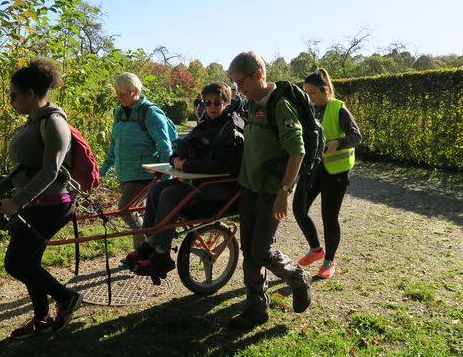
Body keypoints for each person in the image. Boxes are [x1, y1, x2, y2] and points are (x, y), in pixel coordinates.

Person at [0, 58, 81, 339]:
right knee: (29, 263)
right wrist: (1, 189)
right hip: (35, 204)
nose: (11, 100)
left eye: (14, 95)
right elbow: (27, 165)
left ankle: (66, 298)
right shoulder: (34, 120)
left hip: (53, 204)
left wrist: (17, 201)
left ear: (30, 94)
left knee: (16, 262)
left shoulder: (55, 123)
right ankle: (41, 317)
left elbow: (50, 170)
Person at [227, 50, 312, 330]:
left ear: (259, 75)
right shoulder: (251, 103)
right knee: (250, 250)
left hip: (271, 191)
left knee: (261, 249)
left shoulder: (280, 105)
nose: (239, 89)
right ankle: (256, 307)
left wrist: (284, 193)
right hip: (249, 187)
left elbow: (297, 152)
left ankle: (299, 277)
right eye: (235, 84)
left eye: (241, 82)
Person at [125, 82, 245, 279]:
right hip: (201, 182)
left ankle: (162, 255)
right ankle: (150, 244)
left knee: (170, 194)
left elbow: (221, 166)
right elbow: (182, 144)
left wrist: (186, 165)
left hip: (222, 189)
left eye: (217, 103)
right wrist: (175, 159)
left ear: (226, 103)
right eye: (208, 103)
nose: (212, 107)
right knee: (157, 189)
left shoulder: (230, 129)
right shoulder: (205, 124)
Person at [293, 68, 361, 279]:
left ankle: (329, 260)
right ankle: (316, 250)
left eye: (312, 92)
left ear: (325, 90)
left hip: (336, 172)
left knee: (329, 217)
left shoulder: (338, 109)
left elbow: (356, 136)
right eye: (306, 93)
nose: (309, 97)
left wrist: (338, 143)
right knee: (298, 208)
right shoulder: (308, 110)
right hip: (312, 169)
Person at [99, 73, 174, 248]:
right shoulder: (120, 112)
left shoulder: (151, 113)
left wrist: (164, 177)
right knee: (138, 213)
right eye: (117, 93)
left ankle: (148, 245)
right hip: (125, 174)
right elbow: (114, 145)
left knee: (125, 210)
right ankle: (144, 252)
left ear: (135, 91)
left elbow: (164, 147)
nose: (119, 97)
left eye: (123, 93)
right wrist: (103, 170)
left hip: (144, 175)